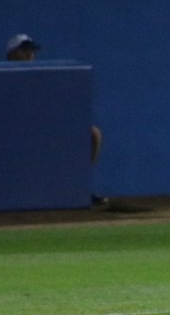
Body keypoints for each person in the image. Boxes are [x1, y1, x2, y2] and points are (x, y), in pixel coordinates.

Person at [6, 33, 109, 208]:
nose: (31, 54)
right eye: (25, 50)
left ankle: (79, 186)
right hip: (15, 133)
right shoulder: (1, 75)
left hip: (45, 130)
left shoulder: (42, 77)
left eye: (32, 50)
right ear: (12, 54)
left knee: (93, 133)